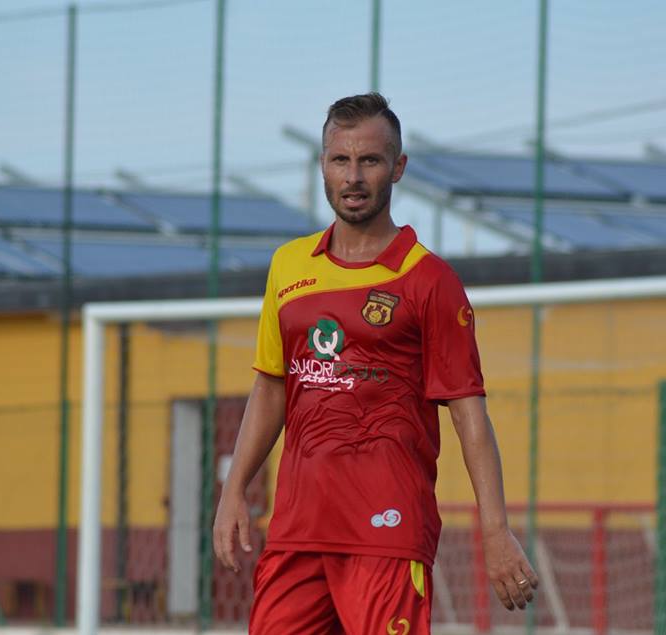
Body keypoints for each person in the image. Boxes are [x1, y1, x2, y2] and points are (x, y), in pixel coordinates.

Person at [213, 93, 537, 634]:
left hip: (385, 532)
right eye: (340, 160)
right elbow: (271, 387)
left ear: (398, 167)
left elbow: (468, 413)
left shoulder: (429, 280)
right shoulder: (288, 267)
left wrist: (495, 529)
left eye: (370, 160)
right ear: (323, 166)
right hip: (297, 530)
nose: (354, 176)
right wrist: (233, 491)